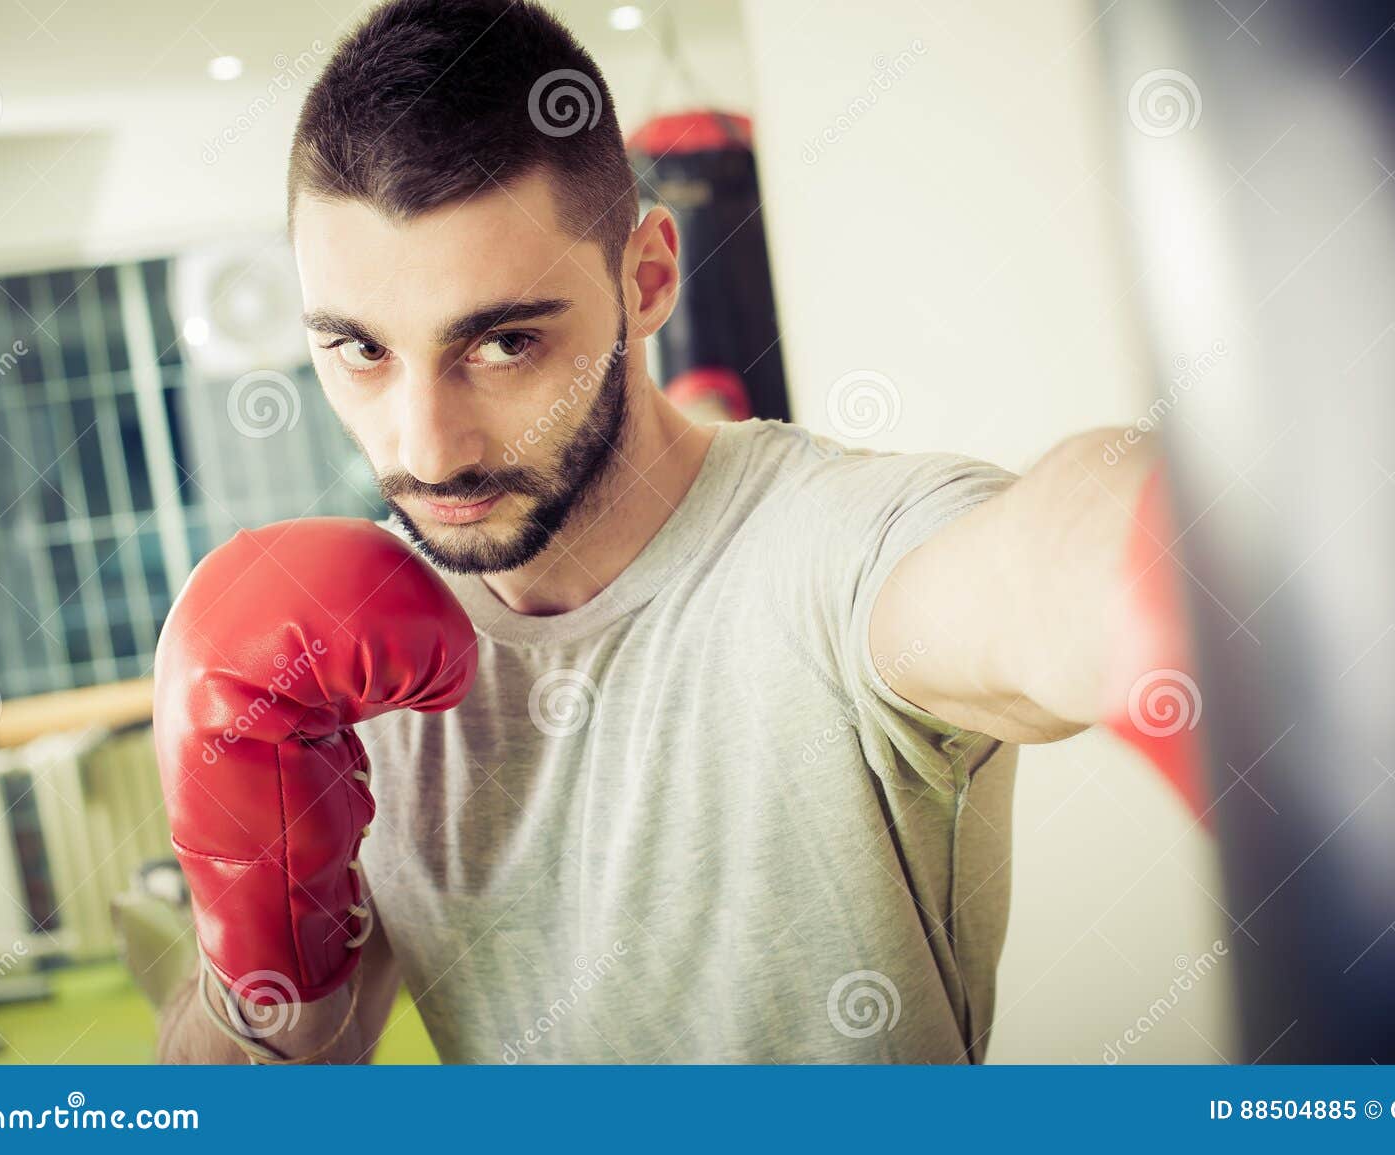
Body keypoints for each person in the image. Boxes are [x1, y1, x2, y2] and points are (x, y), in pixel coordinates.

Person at [156, 0, 1168, 1064]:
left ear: (645, 281)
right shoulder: (347, 662)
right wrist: (263, 948)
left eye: (502, 344)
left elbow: (1036, 562)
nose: (428, 449)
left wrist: (1164, 547)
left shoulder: (823, 557)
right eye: (360, 351)